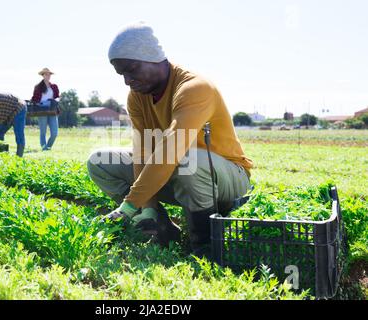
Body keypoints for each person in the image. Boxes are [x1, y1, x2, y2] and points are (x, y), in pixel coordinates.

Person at [87, 23, 253, 256]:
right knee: (99, 161)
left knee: (187, 159)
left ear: (152, 57)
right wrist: (147, 207)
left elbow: (171, 150)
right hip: (181, 169)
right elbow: (143, 152)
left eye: (132, 69)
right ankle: (161, 227)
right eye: (122, 74)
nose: (127, 80)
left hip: (227, 177)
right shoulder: (137, 97)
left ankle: (205, 246)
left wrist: (129, 205)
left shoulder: (194, 88)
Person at [31, 67, 60, 151]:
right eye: (46, 74)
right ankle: (44, 149)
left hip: (52, 110)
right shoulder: (38, 87)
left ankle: (48, 147)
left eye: (49, 74)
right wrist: (38, 103)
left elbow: (57, 97)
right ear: (42, 75)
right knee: (43, 132)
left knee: (54, 133)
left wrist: (56, 100)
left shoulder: (54, 86)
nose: (48, 75)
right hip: (42, 111)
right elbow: (34, 99)